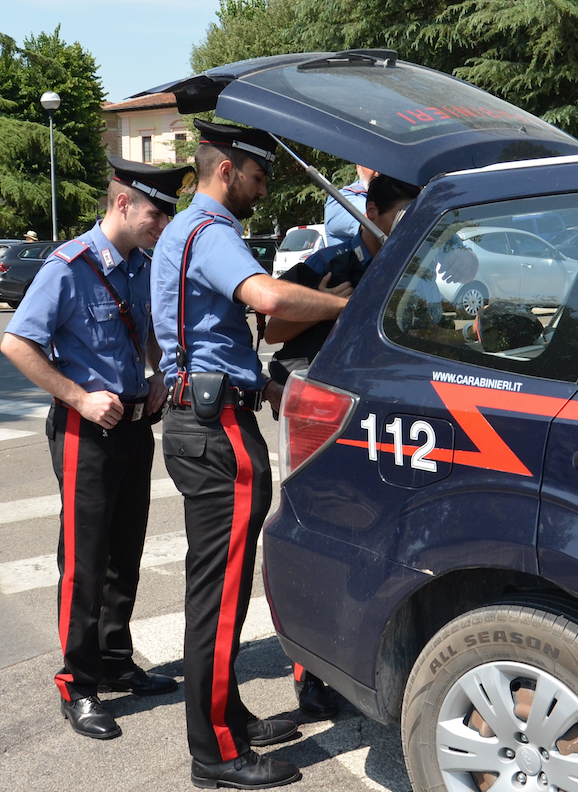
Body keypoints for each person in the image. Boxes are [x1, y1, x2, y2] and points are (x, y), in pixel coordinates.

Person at [151, 119, 350, 790]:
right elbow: (264, 299)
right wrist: (341, 306)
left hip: (208, 414)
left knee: (220, 590)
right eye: (259, 178)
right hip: (214, 432)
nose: (262, 193)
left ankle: (228, 718)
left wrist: (259, 381)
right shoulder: (209, 233)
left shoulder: (191, 231)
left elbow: (206, 337)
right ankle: (215, 755)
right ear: (227, 169)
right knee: (218, 593)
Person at [0, 155, 194, 741]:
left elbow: (153, 335)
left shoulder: (141, 265)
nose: (162, 227)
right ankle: (78, 683)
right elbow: (16, 343)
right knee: (84, 562)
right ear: (122, 204)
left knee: (124, 550)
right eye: (156, 215)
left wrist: (161, 374)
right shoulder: (69, 267)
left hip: (136, 424)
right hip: (87, 430)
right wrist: (79, 398)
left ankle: (114, 658)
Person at [264, 175, 423, 718]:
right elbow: (273, 329)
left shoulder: (420, 262)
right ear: (371, 212)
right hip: (324, 418)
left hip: (391, 419)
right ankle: (315, 676)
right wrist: (335, 302)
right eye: (401, 215)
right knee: (325, 533)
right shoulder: (331, 260)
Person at [323, 164, 377, 246]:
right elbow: (375, 221)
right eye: (374, 163)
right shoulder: (339, 200)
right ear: (358, 168)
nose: (378, 172)